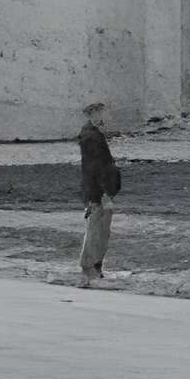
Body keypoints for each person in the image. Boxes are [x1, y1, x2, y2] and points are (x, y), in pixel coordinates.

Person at [77, 99, 120, 282]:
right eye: (99, 112)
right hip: (98, 192)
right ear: (92, 114)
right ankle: (90, 269)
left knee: (99, 229)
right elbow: (95, 168)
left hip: (97, 191)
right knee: (97, 229)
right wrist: (104, 194)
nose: (103, 115)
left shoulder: (93, 134)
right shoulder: (91, 137)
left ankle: (95, 267)